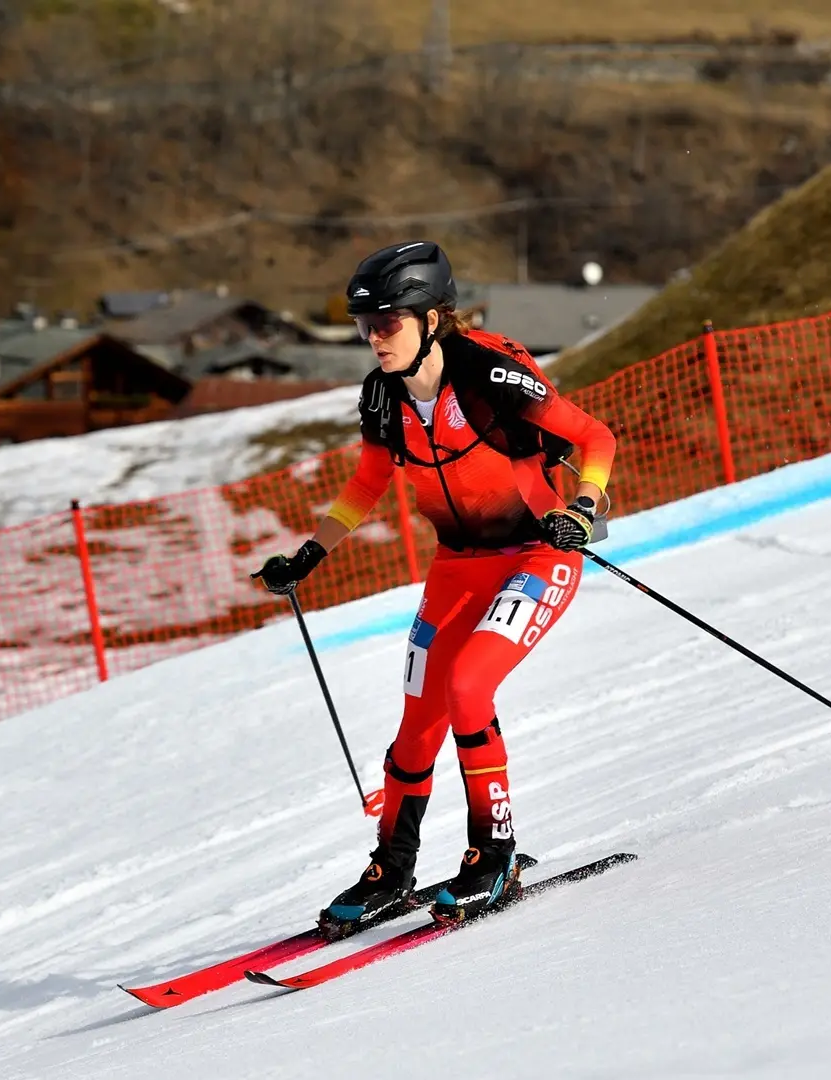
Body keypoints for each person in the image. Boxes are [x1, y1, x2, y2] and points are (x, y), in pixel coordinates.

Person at [253, 240, 615, 934]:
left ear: (429, 318)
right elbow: (366, 484)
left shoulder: (493, 376)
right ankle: (392, 869)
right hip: (457, 566)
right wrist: (309, 554)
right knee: (418, 722)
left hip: (535, 555)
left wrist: (584, 507)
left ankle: (495, 855)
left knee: (469, 687)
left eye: (388, 322)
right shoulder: (383, 396)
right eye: (365, 326)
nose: (374, 338)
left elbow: (594, 438)